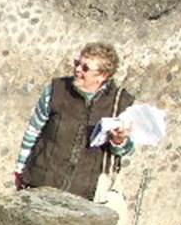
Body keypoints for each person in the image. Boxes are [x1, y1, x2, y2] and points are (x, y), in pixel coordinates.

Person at [14, 42, 134, 200]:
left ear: (102, 76)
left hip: (83, 193)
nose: (77, 69)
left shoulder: (120, 103)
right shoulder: (57, 90)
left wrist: (119, 141)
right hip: (42, 182)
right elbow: (33, 130)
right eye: (77, 63)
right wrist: (20, 168)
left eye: (85, 68)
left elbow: (126, 151)